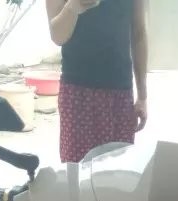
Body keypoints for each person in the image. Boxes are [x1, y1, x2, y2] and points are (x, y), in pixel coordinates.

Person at [47, 0, 148, 163]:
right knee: (77, 167)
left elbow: (139, 33)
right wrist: (73, 5)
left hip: (120, 93)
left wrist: (142, 96)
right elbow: (57, 36)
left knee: (118, 168)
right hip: (77, 93)